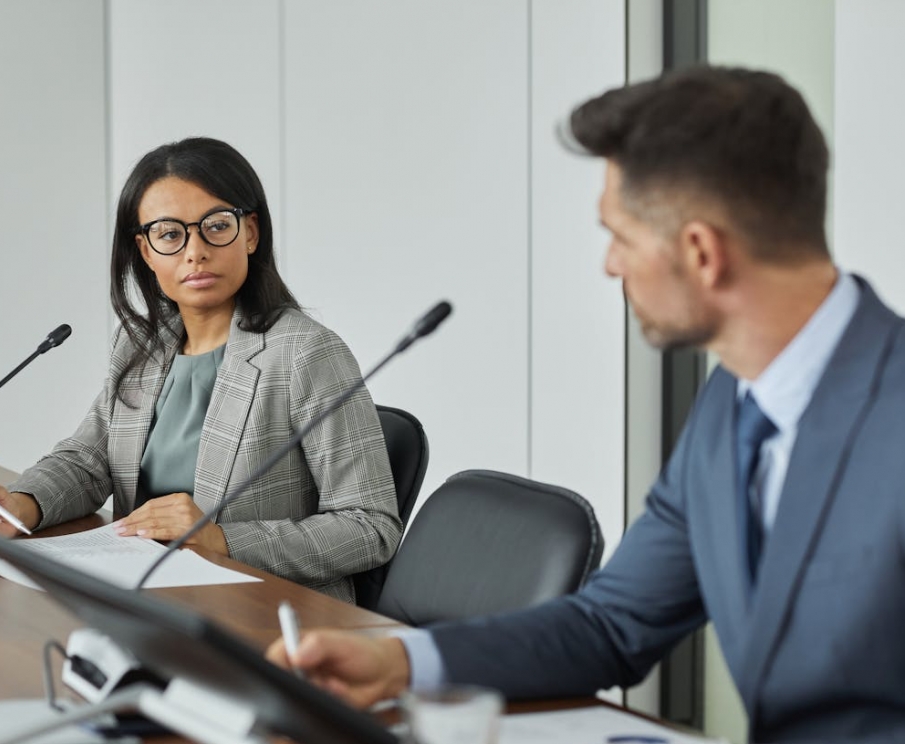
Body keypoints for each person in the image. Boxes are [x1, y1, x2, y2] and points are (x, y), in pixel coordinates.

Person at [268, 66, 905, 741]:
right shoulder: (732, 404)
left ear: (700, 253)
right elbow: (612, 622)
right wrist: (401, 660)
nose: (609, 265)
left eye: (620, 236)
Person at [0, 137, 401, 602]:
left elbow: (370, 526)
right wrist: (22, 505)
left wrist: (222, 540)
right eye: (170, 234)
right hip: (150, 600)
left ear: (250, 232)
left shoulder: (306, 353)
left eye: (215, 226)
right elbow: (89, 460)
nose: (195, 252)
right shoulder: (140, 345)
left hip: (268, 613)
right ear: (146, 252)